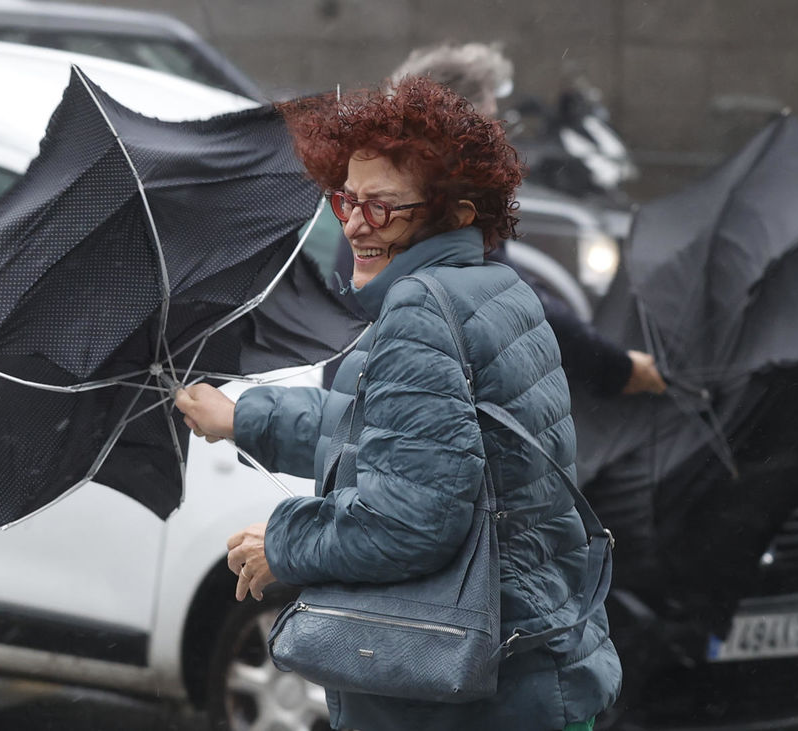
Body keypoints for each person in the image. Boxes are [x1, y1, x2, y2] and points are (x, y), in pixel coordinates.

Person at [176, 77, 621, 731]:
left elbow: (413, 519)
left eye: (381, 208)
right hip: (532, 671)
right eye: (345, 200)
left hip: (470, 700)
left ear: (457, 213)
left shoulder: (419, 311)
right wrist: (242, 416)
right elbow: (390, 436)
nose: (354, 224)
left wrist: (286, 543)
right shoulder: (493, 289)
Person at [374, 42, 666, 397]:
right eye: (492, 116)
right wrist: (618, 368)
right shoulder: (450, 197)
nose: (500, 130)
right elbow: (518, 302)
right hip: (426, 398)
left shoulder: (381, 185)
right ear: (458, 117)